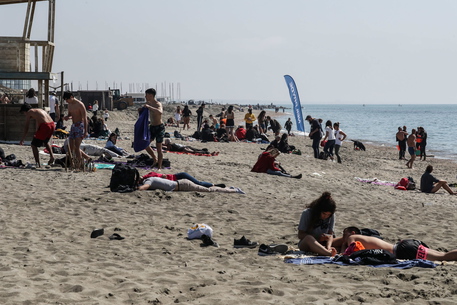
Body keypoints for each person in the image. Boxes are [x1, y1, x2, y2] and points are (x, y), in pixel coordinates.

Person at [345, 230, 457, 261]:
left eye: (345, 233)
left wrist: (342, 252)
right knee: (442, 254)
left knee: (443, 257)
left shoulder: (352, 238)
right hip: (405, 245)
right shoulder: (365, 238)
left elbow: (352, 251)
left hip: (402, 250)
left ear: (351, 232)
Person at [297, 192, 337, 256]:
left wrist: (328, 246)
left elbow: (330, 234)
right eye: (324, 214)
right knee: (309, 238)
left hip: (325, 242)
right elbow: (300, 235)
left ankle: (326, 250)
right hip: (309, 243)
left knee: (346, 238)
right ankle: (328, 253)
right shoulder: (307, 213)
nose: (325, 216)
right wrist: (318, 238)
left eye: (328, 215)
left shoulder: (332, 215)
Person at [19, 103, 55, 167]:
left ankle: (37, 163)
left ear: (24, 111)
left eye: (23, 113)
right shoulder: (38, 110)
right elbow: (40, 122)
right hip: (52, 124)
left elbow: (26, 126)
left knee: (33, 145)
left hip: (45, 126)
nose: (24, 114)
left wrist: (23, 139)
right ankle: (52, 157)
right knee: (46, 141)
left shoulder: (29, 112)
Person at [63, 91, 88, 168]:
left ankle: (80, 164)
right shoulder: (70, 105)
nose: (66, 101)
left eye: (67, 99)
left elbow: (85, 118)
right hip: (73, 125)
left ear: (71, 97)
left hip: (80, 125)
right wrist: (67, 117)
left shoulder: (80, 104)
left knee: (77, 147)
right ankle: (72, 163)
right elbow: (70, 115)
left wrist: (86, 130)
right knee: (70, 146)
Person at [141, 88, 164, 169]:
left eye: (146, 95)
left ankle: (159, 167)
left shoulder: (158, 104)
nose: (145, 97)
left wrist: (149, 107)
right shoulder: (147, 103)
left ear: (151, 95)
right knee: (145, 144)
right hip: (152, 127)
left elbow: (160, 112)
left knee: (159, 148)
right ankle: (155, 159)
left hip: (159, 127)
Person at [138, 177, 245, 194]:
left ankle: (234, 190)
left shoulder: (148, 181)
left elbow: (143, 188)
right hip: (182, 183)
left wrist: (135, 188)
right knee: (207, 188)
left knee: (209, 191)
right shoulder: (149, 179)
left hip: (184, 185)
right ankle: (229, 188)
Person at [142, 171, 226, 188]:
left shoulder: (150, 176)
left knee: (198, 184)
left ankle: (213, 185)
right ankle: (213, 185)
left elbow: (163, 175)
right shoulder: (148, 178)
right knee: (197, 184)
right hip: (177, 179)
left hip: (179, 177)